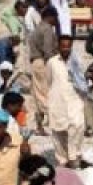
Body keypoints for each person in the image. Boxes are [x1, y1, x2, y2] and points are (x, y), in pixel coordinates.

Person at [48, 35, 88, 168]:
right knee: (58, 131)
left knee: (77, 127)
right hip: (57, 102)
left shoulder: (77, 61)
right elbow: (49, 81)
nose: (65, 49)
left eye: (68, 46)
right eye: (63, 46)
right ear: (58, 47)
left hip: (74, 101)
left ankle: (74, 156)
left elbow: (82, 81)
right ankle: (62, 160)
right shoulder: (52, 62)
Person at [28, 7, 61, 135]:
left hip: (36, 63)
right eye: (55, 17)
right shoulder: (47, 29)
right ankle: (55, 123)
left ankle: (39, 126)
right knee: (46, 94)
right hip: (43, 63)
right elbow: (48, 51)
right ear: (50, 17)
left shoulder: (37, 29)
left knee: (38, 95)